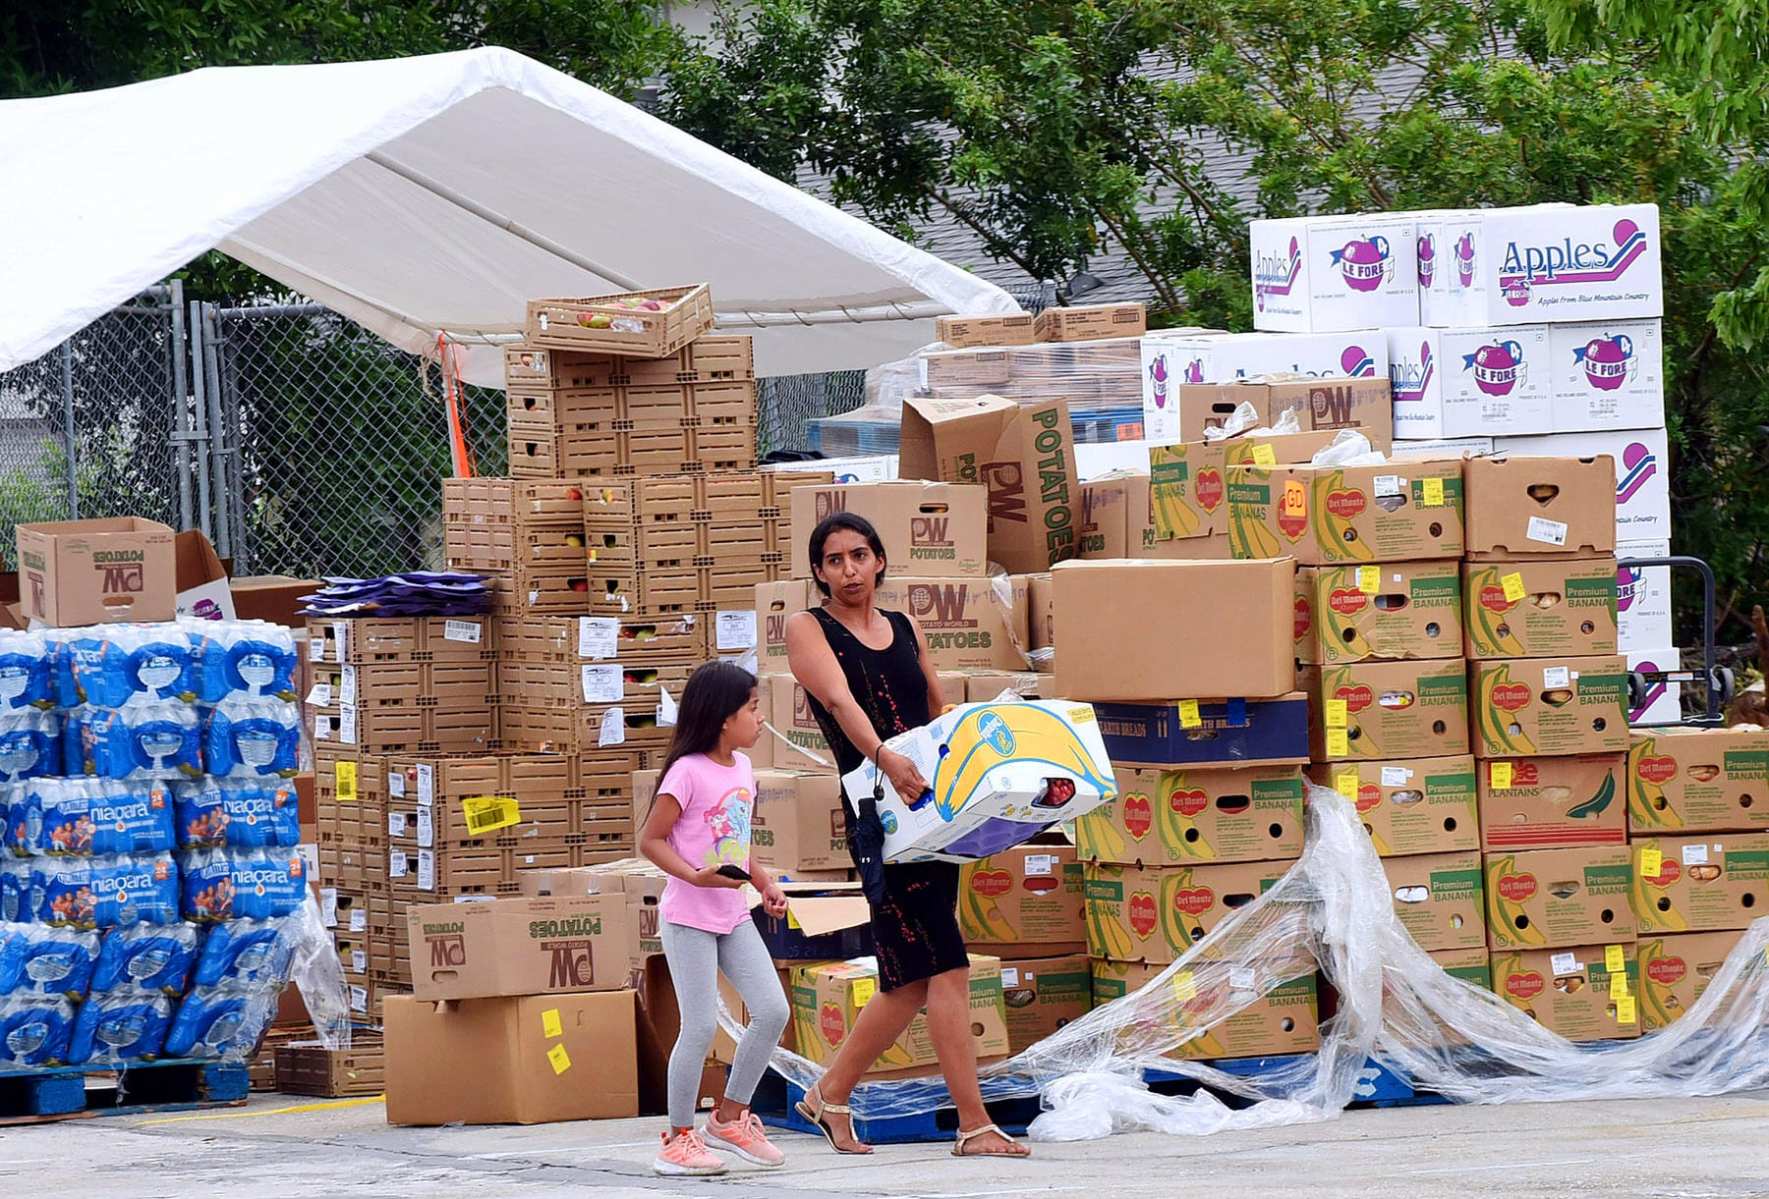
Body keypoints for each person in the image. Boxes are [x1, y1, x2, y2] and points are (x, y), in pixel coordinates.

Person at [784, 511, 1030, 1160]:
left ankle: (829, 1094)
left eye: (859, 555)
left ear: (880, 560)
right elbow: (839, 702)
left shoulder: (903, 626)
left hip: (930, 806)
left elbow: (935, 706)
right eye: (834, 560)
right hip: (879, 811)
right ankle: (973, 1124)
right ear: (818, 571)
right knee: (944, 962)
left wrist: (981, 768)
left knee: (908, 979)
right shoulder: (807, 628)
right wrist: (886, 760)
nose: (848, 569)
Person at [638, 660, 792, 1177]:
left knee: (771, 1011)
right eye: (752, 709)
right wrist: (694, 876)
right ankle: (678, 1137)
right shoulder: (686, 771)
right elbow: (650, 840)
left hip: (733, 914)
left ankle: (729, 1118)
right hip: (689, 918)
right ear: (724, 718)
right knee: (701, 1025)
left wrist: (765, 883)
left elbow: (737, 843)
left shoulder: (743, 770)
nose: (760, 718)